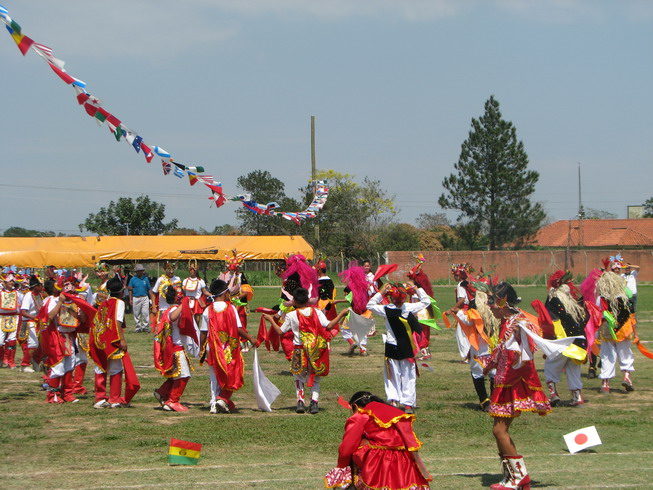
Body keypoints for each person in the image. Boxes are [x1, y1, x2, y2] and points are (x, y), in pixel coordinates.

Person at [482, 282, 551, 490]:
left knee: (499, 430)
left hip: (513, 383)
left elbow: (527, 350)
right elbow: (503, 349)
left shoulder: (519, 322)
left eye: (492, 302)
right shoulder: (507, 322)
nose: (490, 307)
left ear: (503, 302)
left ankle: (519, 477)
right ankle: (512, 477)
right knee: (498, 430)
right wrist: (489, 364)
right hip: (503, 382)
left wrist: (518, 355)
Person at [263, 287, 348, 414]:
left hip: (299, 350)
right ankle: (314, 402)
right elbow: (329, 326)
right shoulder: (317, 312)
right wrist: (341, 314)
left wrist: (270, 320)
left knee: (298, 376)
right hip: (315, 350)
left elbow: (280, 331)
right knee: (315, 376)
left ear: (294, 302)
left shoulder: (291, 315)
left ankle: (300, 402)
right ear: (308, 300)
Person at [324, 391, 431, 490]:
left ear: (355, 406)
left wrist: (341, 467)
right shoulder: (395, 413)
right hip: (404, 461)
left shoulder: (361, 416)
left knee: (360, 446)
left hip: (377, 464)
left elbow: (347, 448)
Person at [366, 282, 430, 413]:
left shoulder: (386, 309)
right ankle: (408, 404)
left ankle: (393, 400)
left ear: (391, 297)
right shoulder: (409, 307)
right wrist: (416, 289)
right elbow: (426, 301)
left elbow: (370, 305)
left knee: (392, 375)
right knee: (408, 375)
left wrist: (381, 292)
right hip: (406, 346)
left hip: (391, 346)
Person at [200, 279, 258, 414]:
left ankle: (214, 403)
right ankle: (222, 399)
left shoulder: (207, 310)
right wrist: (250, 338)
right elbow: (238, 328)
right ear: (225, 293)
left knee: (214, 377)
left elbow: (203, 332)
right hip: (227, 348)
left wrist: (201, 347)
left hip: (213, 348)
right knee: (232, 374)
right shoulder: (230, 308)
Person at [444, 263, 497, 411]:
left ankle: (485, 401)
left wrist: (458, 312)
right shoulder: (493, 302)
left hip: (479, 342)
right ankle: (494, 400)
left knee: (477, 370)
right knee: (494, 370)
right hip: (493, 340)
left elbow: (470, 320)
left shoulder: (475, 303)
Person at [90, 275, 140, 408]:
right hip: (112, 339)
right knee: (116, 368)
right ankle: (114, 398)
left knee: (100, 366)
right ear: (121, 292)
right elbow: (117, 322)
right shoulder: (119, 303)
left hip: (99, 338)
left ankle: (100, 398)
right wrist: (122, 339)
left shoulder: (104, 303)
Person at [542, 271, 588, 407]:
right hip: (578, 342)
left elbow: (546, 321)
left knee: (550, 366)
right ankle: (577, 397)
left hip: (561, 341)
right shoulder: (574, 303)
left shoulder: (552, 300)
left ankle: (553, 394)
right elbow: (585, 318)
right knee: (573, 369)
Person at [154, 285, 199, 412]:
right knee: (184, 375)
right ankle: (173, 400)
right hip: (175, 348)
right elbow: (173, 317)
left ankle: (162, 392)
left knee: (176, 375)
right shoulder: (173, 309)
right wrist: (182, 305)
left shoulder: (168, 309)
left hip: (174, 347)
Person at [19, 275, 44, 373]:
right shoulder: (28, 295)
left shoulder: (40, 295)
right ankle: (24, 365)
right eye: (40, 285)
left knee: (42, 344)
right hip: (30, 323)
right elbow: (23, 311)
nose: (42, 287)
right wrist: (35, 318)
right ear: (35, 286)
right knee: (33, 344)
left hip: (38, 322)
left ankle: (36, 361)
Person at [0, 273, 23, 369]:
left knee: (12, 340)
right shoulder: (0, 293)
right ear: (4, 282)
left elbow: (21, 305)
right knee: (0, 341)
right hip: (1, 318)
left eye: (13, 281)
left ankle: (11, 361)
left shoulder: (18, 294)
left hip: (14, 318)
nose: (11, 282)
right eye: (9, 280)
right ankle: (1, 360)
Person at [128, 264, 151, 333]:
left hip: (144, 297)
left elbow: (149, 288)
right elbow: (130, 289)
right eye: (139, 271)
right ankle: (138, 327)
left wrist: (151, 297)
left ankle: (145, 327)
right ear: (136, 272)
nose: (140, 272)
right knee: (136, 313)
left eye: (141, 271)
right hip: (136, 297)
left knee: (145, 312)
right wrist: (130, 298)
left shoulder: (145, 279)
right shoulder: (133, 279)